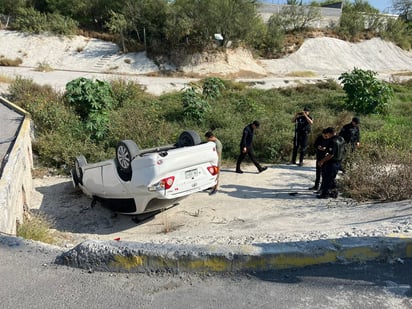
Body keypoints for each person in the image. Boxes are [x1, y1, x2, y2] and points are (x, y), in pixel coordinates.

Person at [317, 127, 345, 199]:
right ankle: (334, 192)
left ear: (329, 133)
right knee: (332, 178)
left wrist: (321, 161)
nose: (326, 136)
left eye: (327, 135)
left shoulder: (333, 141)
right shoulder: (341, 139)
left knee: (327, 178)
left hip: (332, 162)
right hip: (339, 161)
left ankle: (325, 194)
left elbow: (331, 154)